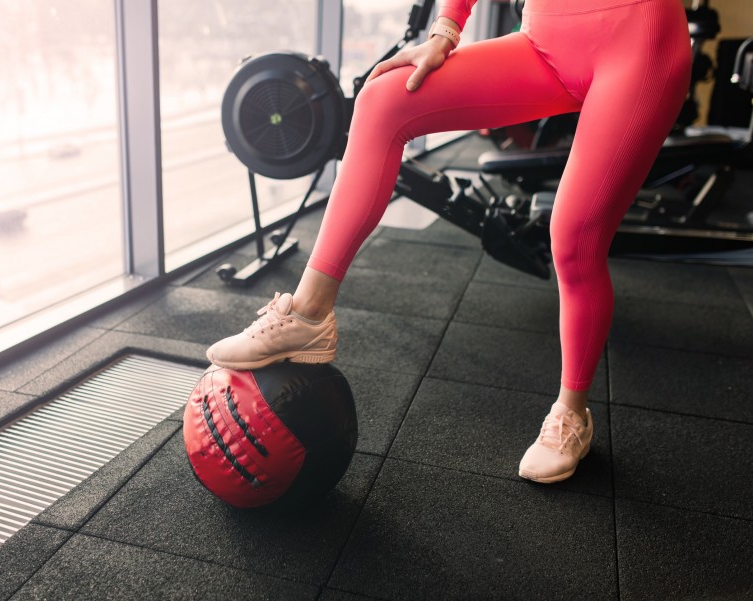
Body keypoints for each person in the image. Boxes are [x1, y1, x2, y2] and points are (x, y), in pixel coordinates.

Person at [207, 0, 692, 483]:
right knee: (382, 101)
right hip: (546, 42)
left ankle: (573, 413)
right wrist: (445, 29)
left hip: (637, 44)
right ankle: (309, 312)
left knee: (572, 238)